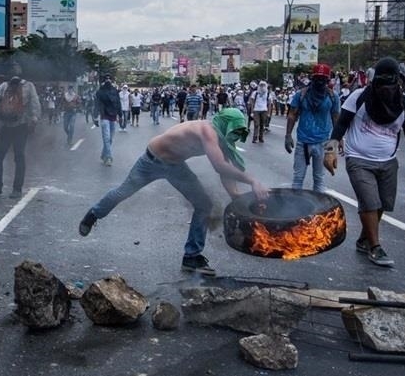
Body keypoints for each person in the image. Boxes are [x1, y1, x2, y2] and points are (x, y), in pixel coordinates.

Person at [77, 108, 269, 276]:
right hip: (151, 161)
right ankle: (94, 214)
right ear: (226, 124)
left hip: (175, 166)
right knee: (123, 192)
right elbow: (219, 166)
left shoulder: (221, 138)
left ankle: (191, 257)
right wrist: (252, 180)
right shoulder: (207, 130)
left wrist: (235, 196)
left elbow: (226, 169)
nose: (234, 137)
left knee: (204, 205)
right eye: (233, 131)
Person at [323, 57, 405, 267]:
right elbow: (341, 124)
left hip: (388, 161)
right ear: (373, 82)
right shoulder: (358, 98)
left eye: (390, 85)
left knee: (382, 205)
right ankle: (375, 247)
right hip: (358, 158)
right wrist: (330, 151)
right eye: (381, 85)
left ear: (398, 83)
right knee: (370, 202)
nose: (385, 90)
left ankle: (364, 239)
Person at [0, 67, 41, 199]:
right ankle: (16, 189)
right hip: (21, 126)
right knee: (19, 157)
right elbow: (35, 104)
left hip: (7, 126)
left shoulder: (4, 85)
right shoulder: (28, 86)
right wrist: (34, 120)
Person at [284, 64, 340, 192]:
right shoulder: (301, 95)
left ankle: (319, 211)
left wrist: (337, 140)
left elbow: (336, 118)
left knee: (319, 180)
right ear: (312, 78)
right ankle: (295, 208)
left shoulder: (333, 96)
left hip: (323, 142)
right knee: (298, 178)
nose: (320, 81)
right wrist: (288, 135)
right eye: (317, 78)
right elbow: (292, 114)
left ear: (328, 80)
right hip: (303, 142)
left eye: (323, 79)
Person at [96, 74, 122, 166]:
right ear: (104, 80)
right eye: (106, 78)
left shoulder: (115, 91)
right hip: (104, 116)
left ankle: (103, 154)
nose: (108, 80)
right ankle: (109, 157)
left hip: (113, 116)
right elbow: (97, 104)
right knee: (106, 137)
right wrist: (95, 116)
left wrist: (120, 115)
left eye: (109, 78)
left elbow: (118, 103)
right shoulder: (100, 92)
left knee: (110, 139)